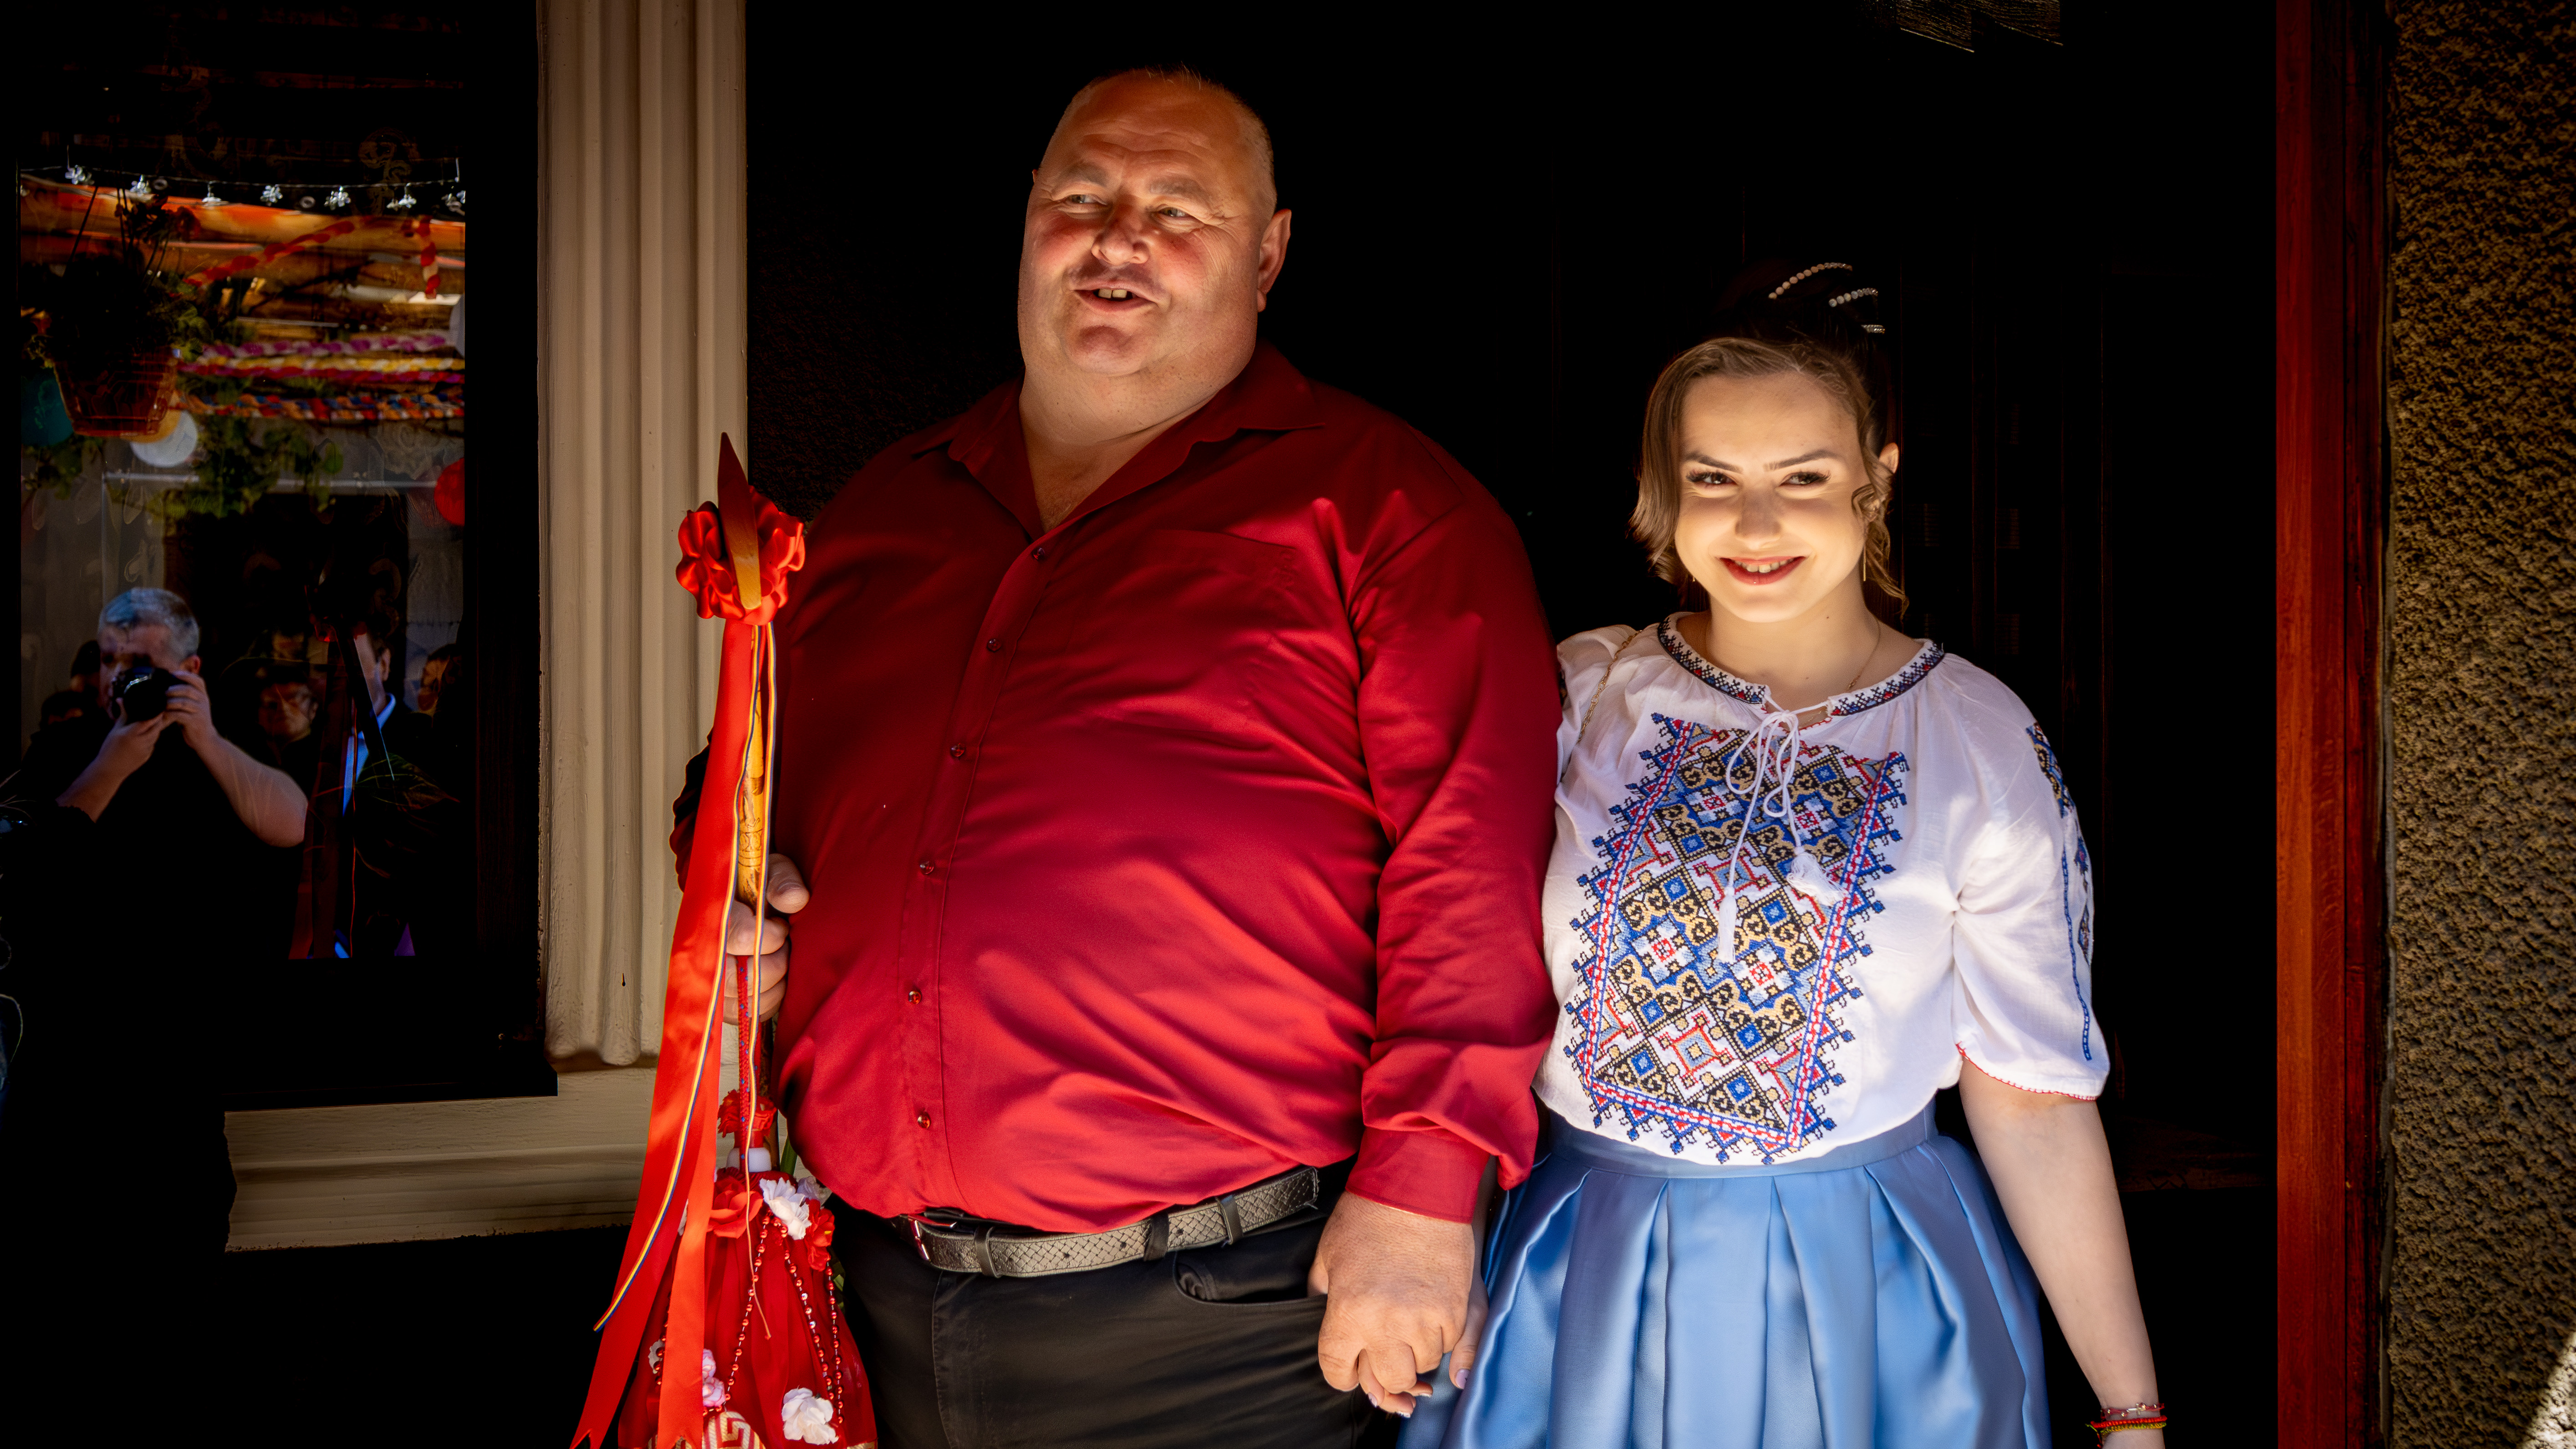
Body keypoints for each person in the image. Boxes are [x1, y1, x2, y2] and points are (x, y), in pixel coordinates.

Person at [674, 66, 1561, 1448]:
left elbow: (1474, 869)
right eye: (1082, 196)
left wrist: (1426, 1191)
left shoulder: (1389, 511)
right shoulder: (880, 514)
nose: (1119, 238)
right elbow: (747, 785)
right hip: (866, 1297)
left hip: (1226, 1323)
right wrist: (734, 891)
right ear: (1029, 220)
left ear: (1269, 254)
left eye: (1179, 209)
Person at [1402, 261, 2166, 1449]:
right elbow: (1452, 975)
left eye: (1802, 479)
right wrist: (1426, 1225)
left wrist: (2130, 1411)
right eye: (1714, 479)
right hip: (1576, 1270)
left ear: (1878, 478)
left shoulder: (1978, 742)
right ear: (1665, 488)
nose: (1754, 527)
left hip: (1868, 1289)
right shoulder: (1585, 692)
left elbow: (2031, 1106)